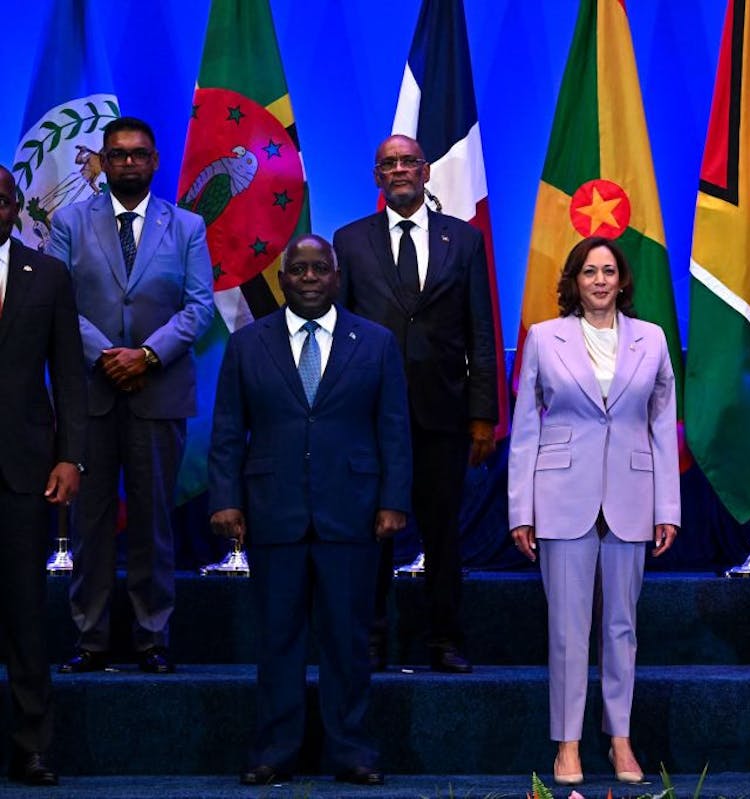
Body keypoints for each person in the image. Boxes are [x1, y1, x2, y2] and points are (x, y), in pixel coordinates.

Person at [208, 234, 411, 786]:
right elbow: (227, 429)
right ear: (282, 280)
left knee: (348, 639)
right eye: (298, 270)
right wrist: (225, 498)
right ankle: (275, 752)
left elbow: (394, 428)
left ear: (337, 277)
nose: (310, 278)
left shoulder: (376, 342)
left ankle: (353, 752)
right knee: (278, 639)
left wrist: (394, 500)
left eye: (320, 268)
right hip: (274, 511)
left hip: (353, 512)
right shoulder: (248, 343)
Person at [508, 236, 679, 786]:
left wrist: (667, 507)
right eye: (589, 271)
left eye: (608, 271)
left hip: (632, 496)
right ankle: (568, 744)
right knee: (567, 629)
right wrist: (520, 510)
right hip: (561, 496)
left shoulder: (652, 339)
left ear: (622, 280)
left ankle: (620, 738)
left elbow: (662, 426)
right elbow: (525, 429)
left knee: (621, 626)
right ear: (574, 281)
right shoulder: (543, 337)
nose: (600, 280)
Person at [49, 116, 214, 675]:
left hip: (158, 390)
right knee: (90, 522)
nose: (127, 163)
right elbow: (59, 304)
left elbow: (200, 307)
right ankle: (90, 638)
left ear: (154, 161)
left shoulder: (187, 226)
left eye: (138, 154)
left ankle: (152, 639)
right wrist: (107, 356)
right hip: (90, 393)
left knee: (153, 521)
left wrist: (145, 355)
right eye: (117, 154)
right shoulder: (69, 221)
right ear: (103, 161)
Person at [333, 134, 501, 674]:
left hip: (443, 414)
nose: (400, 169)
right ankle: (371, 640)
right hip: (369, 415)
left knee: (443, 534)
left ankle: (444, 641)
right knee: (370, 533)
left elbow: (480, 331)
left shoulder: (464, 239)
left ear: (426, 172)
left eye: (409, 161)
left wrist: (483, 414)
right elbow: (340, 331)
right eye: (389, 163)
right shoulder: (350, 240)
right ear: (377, 177)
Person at [0, 165, 87, 787]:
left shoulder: (49, 274)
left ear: (15, 208)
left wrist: (69, 456)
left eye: (1, 200)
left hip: (23, 468)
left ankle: (32, 747)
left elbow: (70, 374)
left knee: (25, 612)